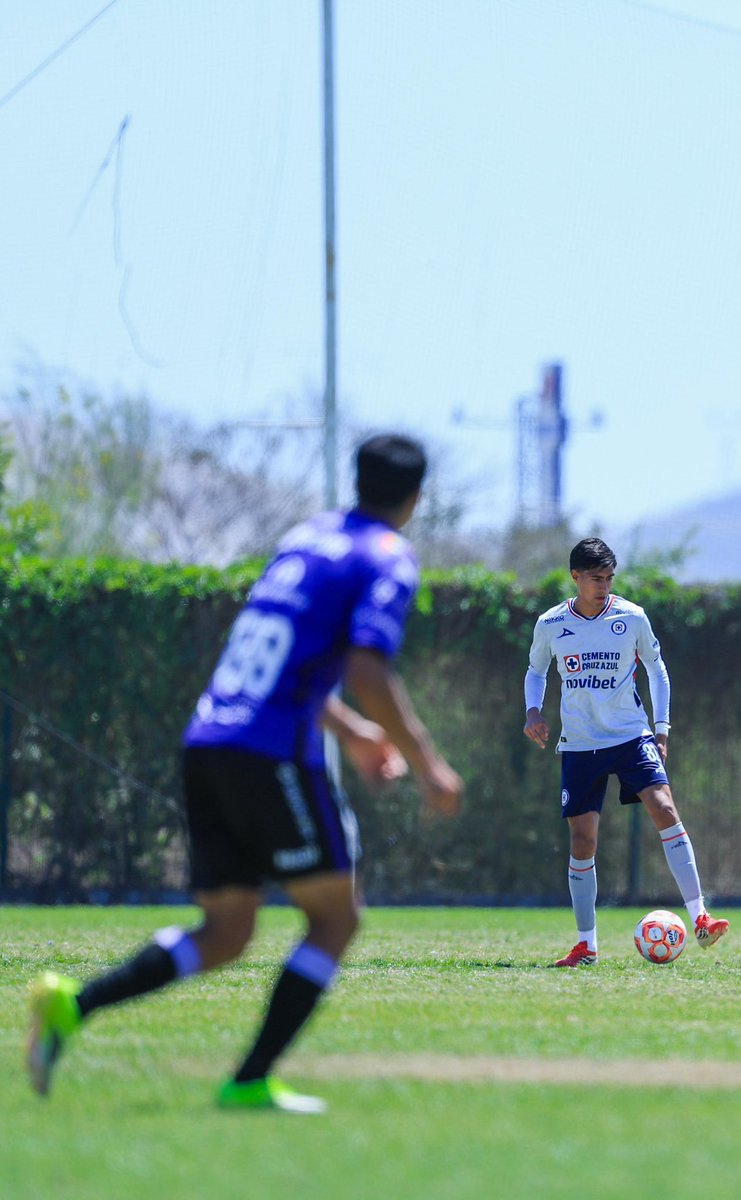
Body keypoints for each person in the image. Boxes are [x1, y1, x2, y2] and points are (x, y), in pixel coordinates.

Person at [27, 433, 462, 1113]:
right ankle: (251, 1079)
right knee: (334, 918)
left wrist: (350, 733)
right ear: (415, 498)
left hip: (209, 738)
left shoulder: (305, 541)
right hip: (270, 751)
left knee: (228, 932)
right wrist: (431, 762)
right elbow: (367, 669)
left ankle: (71, 1007)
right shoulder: (386, 557)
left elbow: (286, 655)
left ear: (357, 480)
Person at [523, 536, 728, 967]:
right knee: (583, 841)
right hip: (579, 744)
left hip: (631, 737)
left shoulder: (632, 617)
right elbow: (536, 670)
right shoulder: (551, 624)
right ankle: (586, 946)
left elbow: (657, 669)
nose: (603, 585)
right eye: (595, 578)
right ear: (575, 577)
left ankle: (701, 918)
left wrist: (662, 728)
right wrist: (533, 712)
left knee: (665, 809)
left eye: (609, 578)